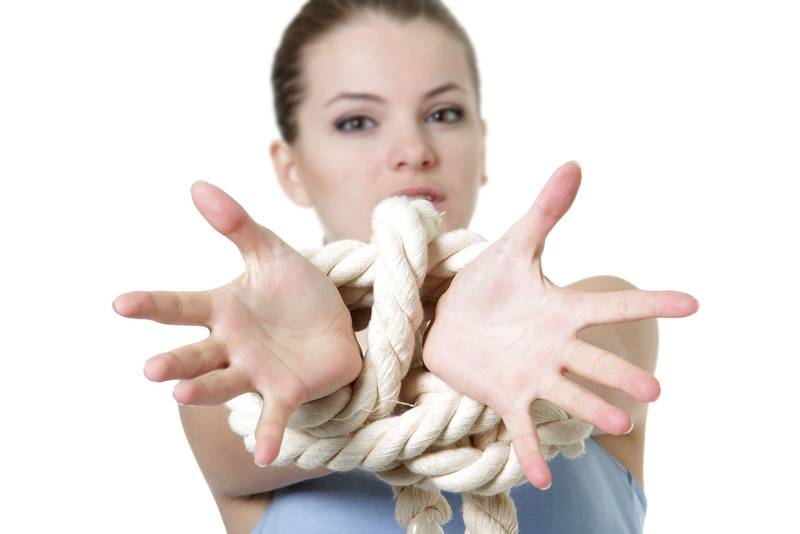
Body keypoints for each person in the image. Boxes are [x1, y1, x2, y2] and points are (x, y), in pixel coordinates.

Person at [112, 1, 699, 532]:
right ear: (291, 168)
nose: (414, 149)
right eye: (356, 121)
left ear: (482, 147)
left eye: (443, 113)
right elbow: (252, 437)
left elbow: (607, 372)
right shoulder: (240, 384)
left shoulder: (589, 324)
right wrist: (342, 389)